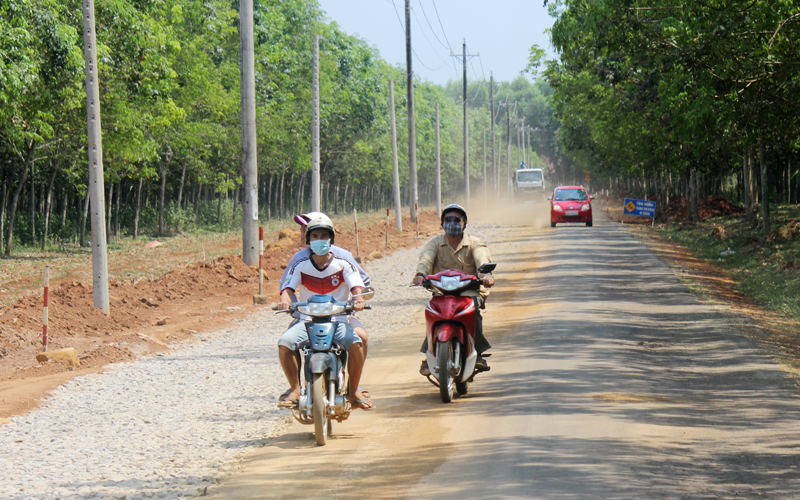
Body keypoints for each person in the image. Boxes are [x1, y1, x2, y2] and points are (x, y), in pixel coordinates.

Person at [276, 214, 374, 410]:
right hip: (307, 319)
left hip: (339, 319)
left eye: (324, 236)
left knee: (356, 343)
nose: (319, 240)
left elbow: (357, 285)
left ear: (331, 239)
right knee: (285, 343)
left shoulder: (343, 261)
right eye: (315, 236)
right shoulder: (300, 263)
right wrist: (285, 300)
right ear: (308, 240)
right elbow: (288, 286)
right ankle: (295, 389)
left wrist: (359, 299)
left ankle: (353, 391)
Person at [412, 203, 495, 375]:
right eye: (448, 220)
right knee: (433, 314)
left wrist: (485, 275)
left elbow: (482, 259)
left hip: (468, 291)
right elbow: (426, 258)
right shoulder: (435, 243)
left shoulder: (474, 243)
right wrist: (421, 274)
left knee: (474, 309)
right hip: (442, 292)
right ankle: (430, 355)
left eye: (456, 220)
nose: (452, 223)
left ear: (464, 223)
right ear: (442, 224)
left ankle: (477, 352)